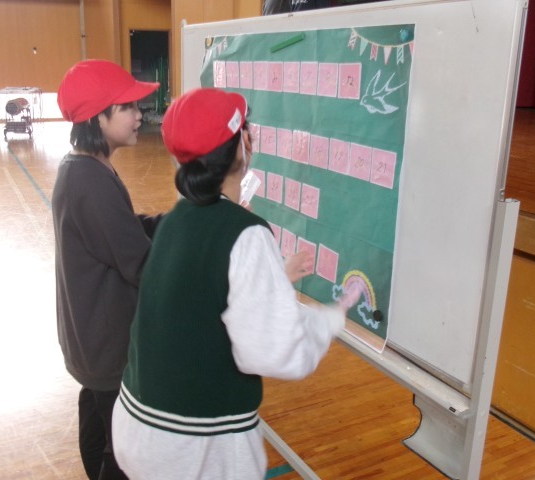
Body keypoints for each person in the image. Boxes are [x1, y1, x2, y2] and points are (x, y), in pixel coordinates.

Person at [111, 88, 361, 480]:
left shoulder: (178, 218)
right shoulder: (244, 232)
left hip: (139, 426)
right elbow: (277, 351)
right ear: (244, 143)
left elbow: (202, 294)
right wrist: (329, 320)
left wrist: (273, 276)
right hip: (194, 452)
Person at [52, 59, 161, 480]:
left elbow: (120, 231)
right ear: (99, 118)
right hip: (106, 341)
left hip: (89, 336)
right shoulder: (91, 180)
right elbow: (141, 265)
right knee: (123, 452)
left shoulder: (84, 166)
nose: (139, 115)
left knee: (98, 422)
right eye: (128, 107)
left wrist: (168, 222)